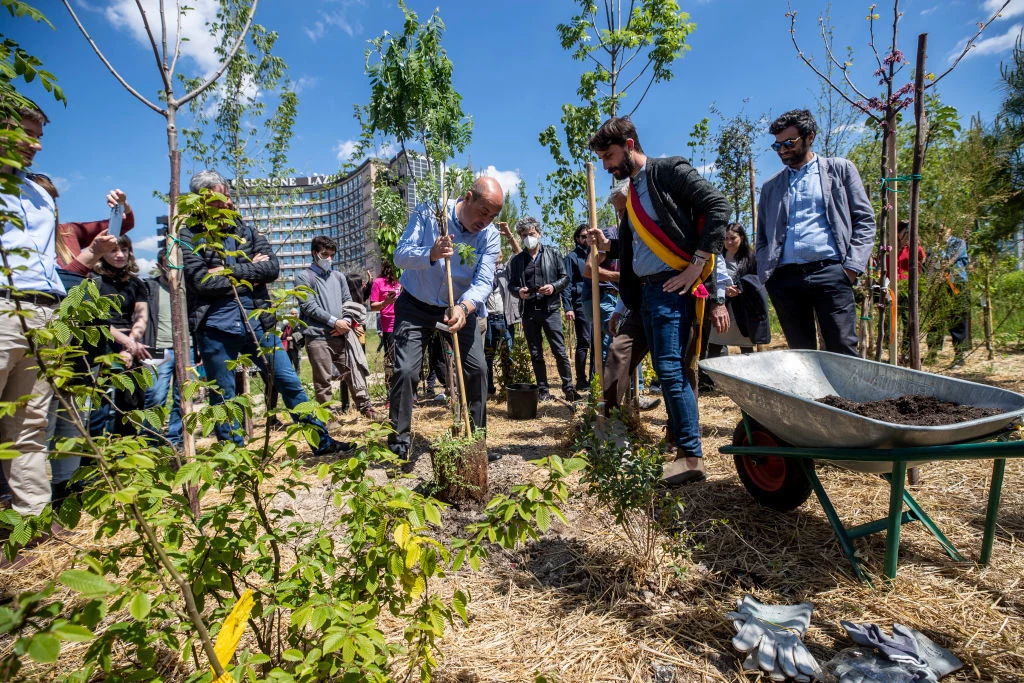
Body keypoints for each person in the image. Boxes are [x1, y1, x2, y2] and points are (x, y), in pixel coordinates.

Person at [588, 116, 729, 484]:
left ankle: (691, 456)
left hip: (672, 287)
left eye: (609, 155)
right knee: (654, 364)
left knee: (670, 369)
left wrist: (696, 266)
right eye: (602, 158)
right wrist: (609, 245)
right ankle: (677, 448)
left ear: (630, 145)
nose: (606, 165)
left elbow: (718, 206)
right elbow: (637, 247)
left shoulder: (668, 170)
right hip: (645, 292)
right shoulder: (632, 192)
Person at [180, 170, 350, 455]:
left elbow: (271, 268)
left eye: (229, 195)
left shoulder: (245, 230)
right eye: (221, 197)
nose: (228, 202)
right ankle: (234, 458)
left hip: (258, 322)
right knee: (224, 397)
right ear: (203, 199)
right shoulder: (189, 235)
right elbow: (201, 281)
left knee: (289, 381)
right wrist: (251, 272)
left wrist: (230, 270)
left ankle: (321, 442)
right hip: (215, 328)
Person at [387, 176, 503, 462]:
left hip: (457, 307)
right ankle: (398, 443)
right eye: (483, 211)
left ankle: (476, 441)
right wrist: (431, 253)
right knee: (406, 371)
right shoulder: (430, 212)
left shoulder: (490, 236)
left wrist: (464, 308)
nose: (486, 221)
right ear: (468, 197)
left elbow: (485, 279)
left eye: (493, 216)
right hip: (415, 304)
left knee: (477, 370)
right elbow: (400, 255)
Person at [756, 109, 875, 356]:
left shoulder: (839, 170)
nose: (783, 149)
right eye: (777, 145)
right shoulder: (771, 187)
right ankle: (812, 397)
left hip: (831, 273)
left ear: (809, 137)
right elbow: (763, 239)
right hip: (784, 279)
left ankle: (846, 397)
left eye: (789, 142)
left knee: (842, 348)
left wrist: (851, 269)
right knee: (801, 356)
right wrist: (769, 275)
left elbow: (864, 221)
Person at [0, 103, 66, 538]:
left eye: (39, 134)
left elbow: (55, 257)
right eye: (27, 132)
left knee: (30, 421)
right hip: (3, 303)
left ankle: (32, 521)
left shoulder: (40, 192)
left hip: (45, 309)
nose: (36, 144)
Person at [294, 237, 376, 420]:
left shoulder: (338, 277)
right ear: (314, 253)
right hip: (317, 337)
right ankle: (328, 417)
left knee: (353, 370)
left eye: (332, 255)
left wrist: (345, 322)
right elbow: (309, 307)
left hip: (341, 334)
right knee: (323, 380)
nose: (329, 259)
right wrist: (334, 322)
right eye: (325, 254)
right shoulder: (303, 277)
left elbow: (347, 301)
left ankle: (366, 408)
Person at [507, 217, 577, 402]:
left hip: (550, 309)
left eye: (531, 234)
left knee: (559, 350)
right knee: (536, 353)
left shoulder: (553, 253)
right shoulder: (518, 261)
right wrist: (518, 291)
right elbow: (511, 285)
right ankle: (543, 390)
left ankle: (568, 388)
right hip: (529, 311)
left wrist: (553, 287)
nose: (528, 238)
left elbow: (565, 278)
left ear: (539, 233)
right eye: (524, 235)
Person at [90, 235, 151, 437]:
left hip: (131, 347)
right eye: (114, 250)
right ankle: (94, 460)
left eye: (124, 250)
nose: (120, 255)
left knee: (132, 404)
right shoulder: (92, 281)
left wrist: (130, 345)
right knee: (98, 409)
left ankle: (126, 454)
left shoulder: (136, 283)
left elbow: (141, 316)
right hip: (100, 344)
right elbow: (94, 319)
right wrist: (125, 342)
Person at [141, 248, 184, 449]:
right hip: (158, 348)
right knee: (155, 395)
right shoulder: (149, 288)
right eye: (168, 264)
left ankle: (176, 439)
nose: (172, 268)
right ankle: (150, 438)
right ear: (160, 266)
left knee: (182, 397)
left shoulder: (186, 288)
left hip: (186, 348)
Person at [707, 223, 762, 357]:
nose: (729, 242)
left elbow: (758, 281)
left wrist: (741, 289)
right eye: (726, 238)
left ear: (742, 237)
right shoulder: (716, 258)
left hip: (742, 312)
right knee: (714, 346)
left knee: (746, 350)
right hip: (721, 308)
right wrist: (722, 289)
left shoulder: (751, 258)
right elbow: (709, 280)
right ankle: (711, 377)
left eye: (733, 238)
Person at [925, 224, 970, 368]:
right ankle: (932, 353)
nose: (940, 232)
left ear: (949, 229)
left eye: (942, 229)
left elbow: (948, 261)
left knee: (958, 319)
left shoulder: (958, 243)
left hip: (956, 284)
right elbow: (930, 266)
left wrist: (938, 252)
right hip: (939, 286)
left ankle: (959, 355)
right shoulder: (933, 247)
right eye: (937, 229)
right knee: (935, 321)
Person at [369, 261, 401, 384]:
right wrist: (385, 303)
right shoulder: (379, 282)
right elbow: (373, 306)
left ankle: (409, 390)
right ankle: (390, 389)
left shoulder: (402, 279)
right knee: (390, 358)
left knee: (406, 356)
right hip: (389, 324)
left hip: (404, 321)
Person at [281, 307, 302, 373]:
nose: (293, 315)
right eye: (292, 313)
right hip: (287, 345)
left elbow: (302, 333)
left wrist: (292, 337)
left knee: (296, 361)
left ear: (297, 314)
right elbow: (282, 331)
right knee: (288, 361)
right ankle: (290, 374)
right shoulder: (286, 323)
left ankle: (297, 375)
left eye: (295, 313)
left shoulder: (300, 323)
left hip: (295, 345)